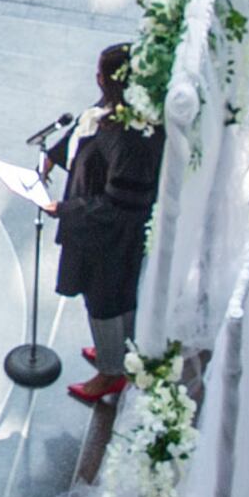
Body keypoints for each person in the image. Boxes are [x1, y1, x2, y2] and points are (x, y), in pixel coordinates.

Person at [55, 44, 165, 403]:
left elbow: (124, 203)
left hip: (111, 236)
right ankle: (114, 351)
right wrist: (53, 157)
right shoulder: (119, 112)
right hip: (102, 228)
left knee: (104, 300)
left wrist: (66, 209)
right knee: (111, 298)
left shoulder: (132, 138)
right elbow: (86, 137)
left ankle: (110, 371)